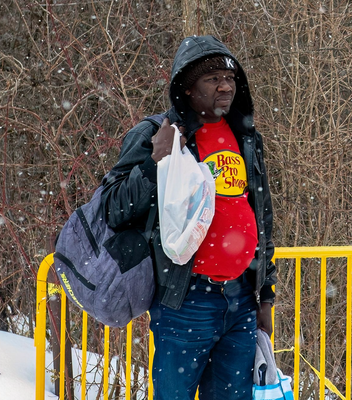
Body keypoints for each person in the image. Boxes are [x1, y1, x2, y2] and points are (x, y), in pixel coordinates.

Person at [101, 35, 277, 400]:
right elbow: (113, 206)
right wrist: (154, 162)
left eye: (229, 77)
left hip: (241, 300)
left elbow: (263, 218)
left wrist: (265, 297)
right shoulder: (157, 133)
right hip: (186, 301)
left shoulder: (246, 137)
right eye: (212, 78)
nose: (225, 85)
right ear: (187, 87)